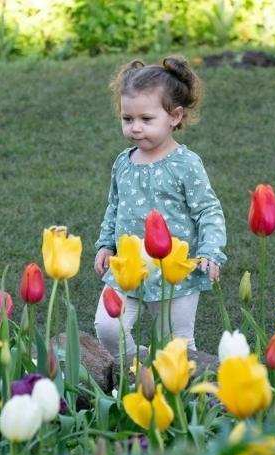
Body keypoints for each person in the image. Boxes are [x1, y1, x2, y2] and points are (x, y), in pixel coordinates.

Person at [93, 56, 227, 357]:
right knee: (108, 328)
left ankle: (180, 394)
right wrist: (105, 245)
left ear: (175, 116)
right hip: (127, 267)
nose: (135, 128)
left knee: (176, 346)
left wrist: (209, 252)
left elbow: (208, 210)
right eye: (128, 119)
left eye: (146, 119)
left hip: (173, 271)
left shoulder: (185, 164)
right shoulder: (123, 163)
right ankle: (137, 368)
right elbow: (114, 207)